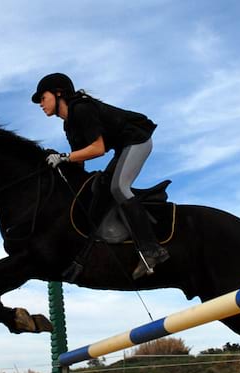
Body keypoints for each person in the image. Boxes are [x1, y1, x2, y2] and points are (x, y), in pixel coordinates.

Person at [31, 73, 169, 279]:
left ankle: (152, 250)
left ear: (59, 93)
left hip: (138, 139)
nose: (41, 104)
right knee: (102, 187)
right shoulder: (68, 123)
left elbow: (97, 149)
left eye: (43, 98)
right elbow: (79, 160)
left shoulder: (81, 109)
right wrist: (57, 167)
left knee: (119, 187)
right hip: (123, 147)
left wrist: (63, 157)